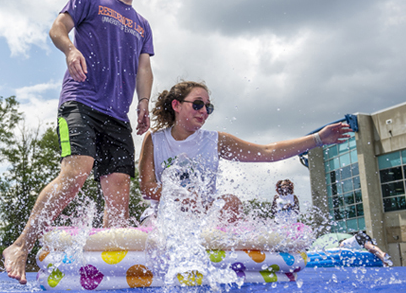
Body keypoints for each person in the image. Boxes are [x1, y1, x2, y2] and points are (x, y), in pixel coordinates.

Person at [3, 0, 157, 284]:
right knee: (77, 173)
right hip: (80, 102)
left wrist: (143, 102)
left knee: (119, 190)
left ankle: (107, 268)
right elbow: (57, 28)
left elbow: (143, 66)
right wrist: (71, 51)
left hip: (118, 115)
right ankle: (20, 246)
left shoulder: (142, 24)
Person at [138, 81, 352, 225]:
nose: (204, 112)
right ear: (176, 105)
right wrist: (181, 196)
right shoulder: (154, 140)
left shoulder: (215, 141)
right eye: (197, 104)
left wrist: (317, 139)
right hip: (164, 215)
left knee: (230, 202)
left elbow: (268, 152)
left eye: (208, 108)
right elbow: (147, 188)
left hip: (203, 216)